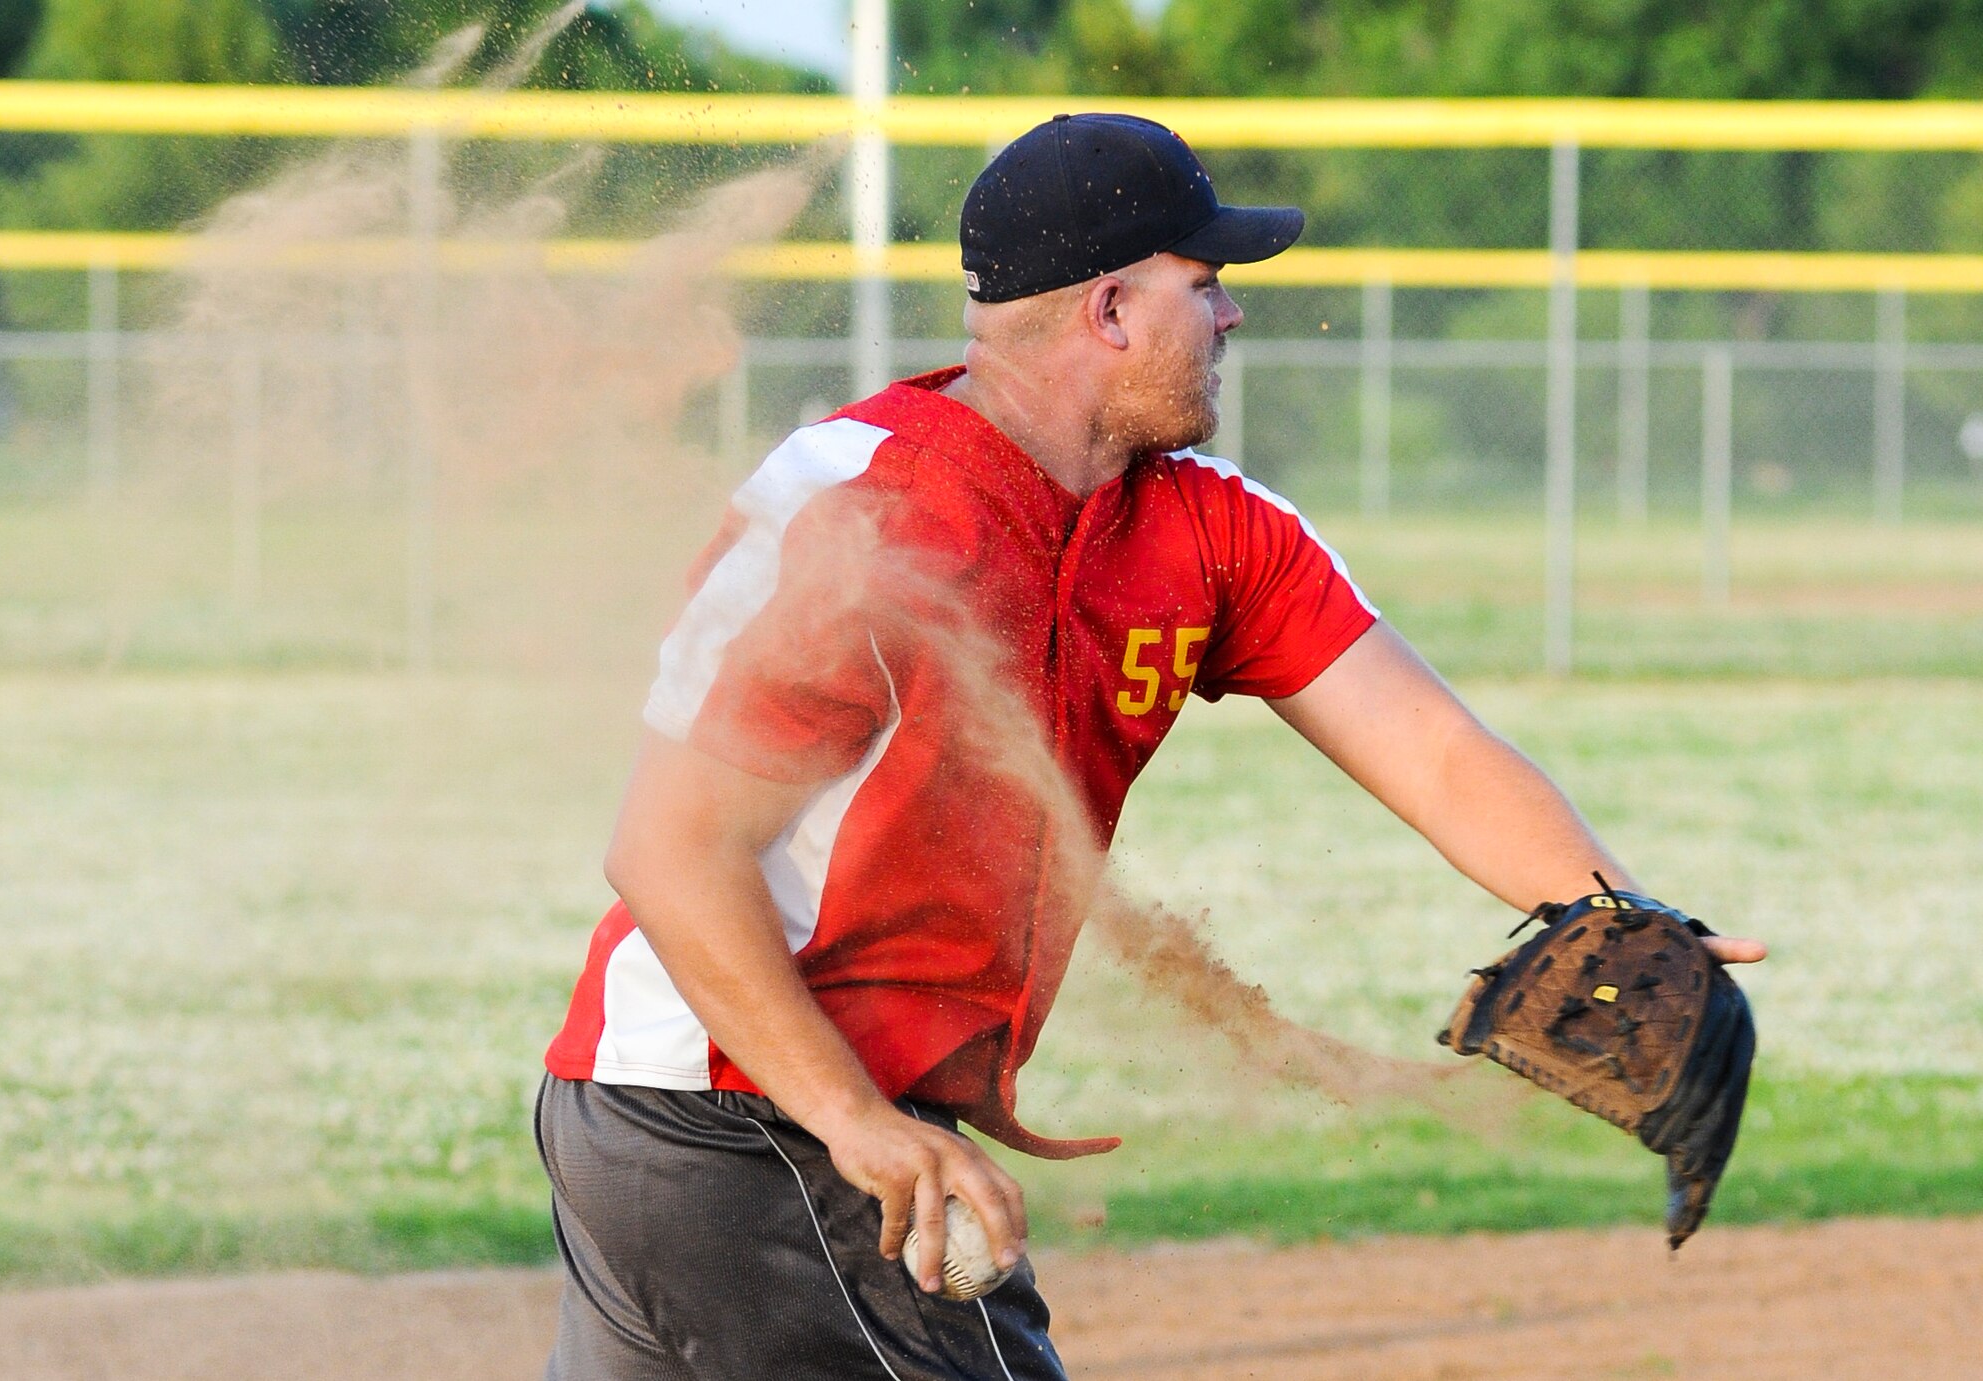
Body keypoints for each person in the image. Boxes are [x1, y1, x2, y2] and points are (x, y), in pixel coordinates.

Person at [533, 113, 1765, 1381]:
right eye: (1206, 283)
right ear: (1110, 309)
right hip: (732, 1104)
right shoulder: (858, 515)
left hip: (753, 1120)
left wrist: (1620, 911)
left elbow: (1435, 748)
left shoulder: (1210, 531)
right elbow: (670, 848)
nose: (1228, 316)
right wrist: (851, 1119)